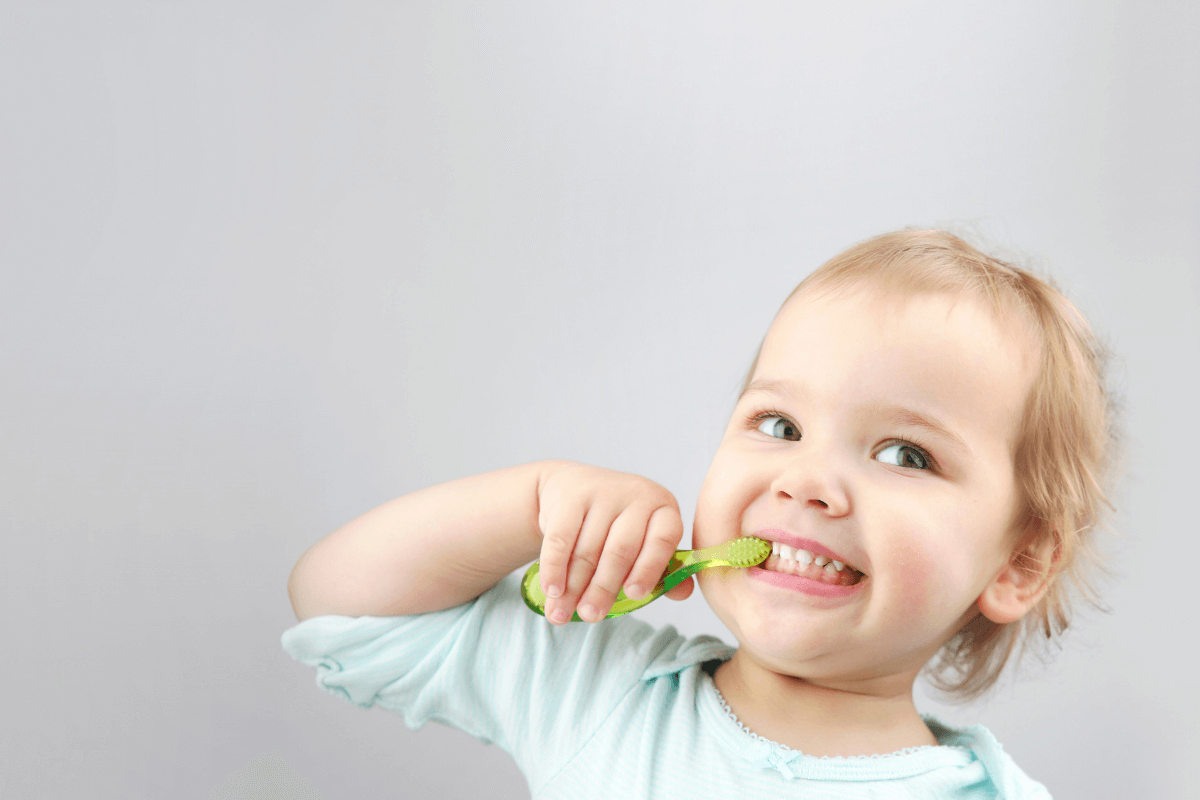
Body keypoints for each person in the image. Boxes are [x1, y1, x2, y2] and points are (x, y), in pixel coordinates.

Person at [282, 229, 1121, 798]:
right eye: (779, 425)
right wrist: (534, 498)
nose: (807, 481)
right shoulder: (600, 689)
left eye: (906, 454)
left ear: (1019, 565)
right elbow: (343, 608)